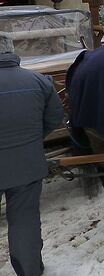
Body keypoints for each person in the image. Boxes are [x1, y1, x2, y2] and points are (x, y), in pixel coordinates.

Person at [0, 34, 64, 276]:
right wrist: (32, 139)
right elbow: (54, 118)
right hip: (26, 164)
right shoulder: (37, 81)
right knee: (25, 222)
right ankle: (30, 270)